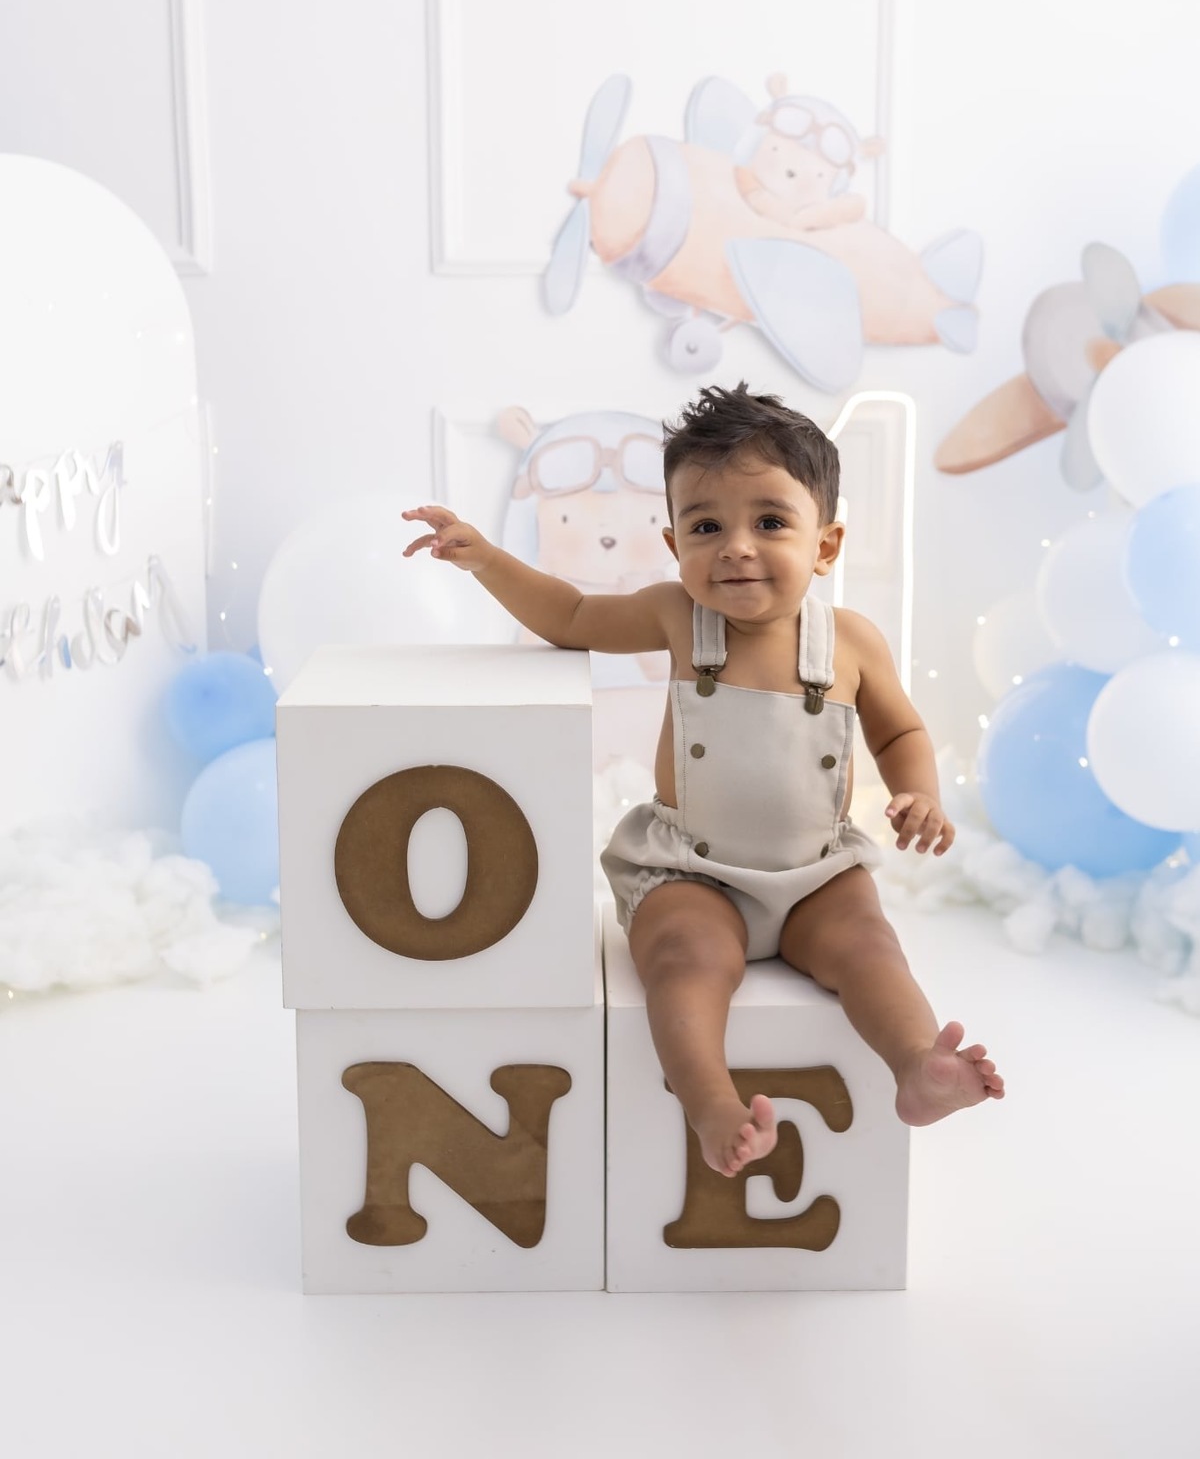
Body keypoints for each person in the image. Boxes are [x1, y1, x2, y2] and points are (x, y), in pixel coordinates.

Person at [402, 382, 1004, 1179]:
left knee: (869, 945)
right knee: (682, 959)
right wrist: (486, 559)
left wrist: (918, 790)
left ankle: (918, 1066)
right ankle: (712, 1103)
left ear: (825, 545)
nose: (737, 547)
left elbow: (900, 729)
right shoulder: (676, 618)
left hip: (815, 874)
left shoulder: (851, 641)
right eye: (707, 526)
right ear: (674, 539)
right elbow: (571, 614)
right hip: (693, 869)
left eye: (771, 523)